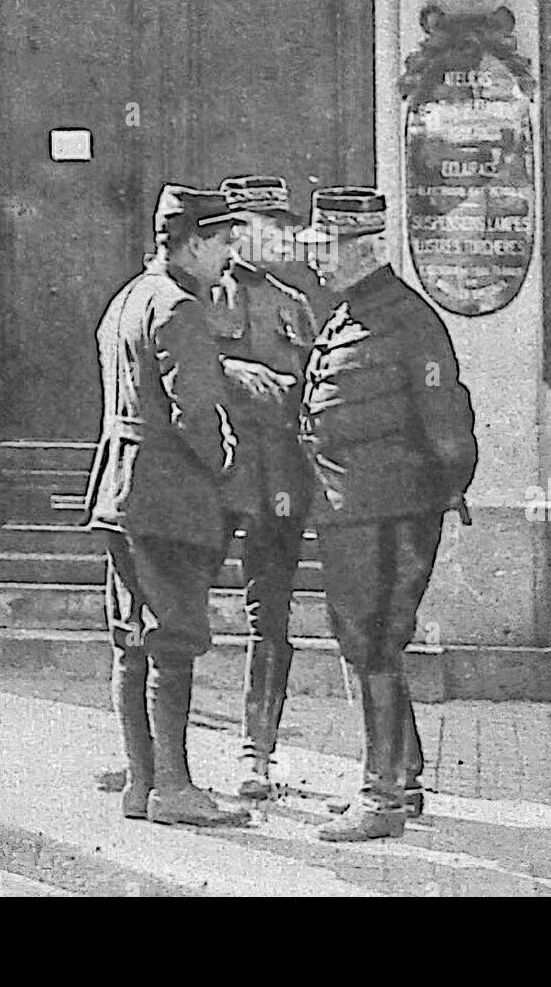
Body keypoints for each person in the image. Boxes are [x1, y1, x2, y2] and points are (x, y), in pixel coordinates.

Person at [296, 188, 478, 841]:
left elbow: (448, 426)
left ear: (364, 250)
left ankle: (379, 800)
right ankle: (403, 774)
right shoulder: (349, 314)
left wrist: (433, 495)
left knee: (372, 645)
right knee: (369, 644)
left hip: (389, 515)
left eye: (327, 250)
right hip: (351, 512)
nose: (315, 262)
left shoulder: (407, 321)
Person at [82, 185, 249, 828]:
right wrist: (224, 468)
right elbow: (196, 415)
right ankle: (174, 790)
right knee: (174, 639)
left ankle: (141, 784)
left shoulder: (128, 299)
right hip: (168, 497)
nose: (230, 256)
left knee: (132, 640)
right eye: (224, 242)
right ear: (195, 242)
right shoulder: (181, 309)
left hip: (121, 492)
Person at [209, 175, 318, 799]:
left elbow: (310, 388)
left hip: (278, 479)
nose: (275, 237)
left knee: (270, 617)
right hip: (215, 473)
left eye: (281, 225)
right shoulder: (194, 297)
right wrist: (242, 374)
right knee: (170, 608)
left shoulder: (294, 305)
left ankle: (257, 753)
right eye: (260, 225)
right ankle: (156, 753)